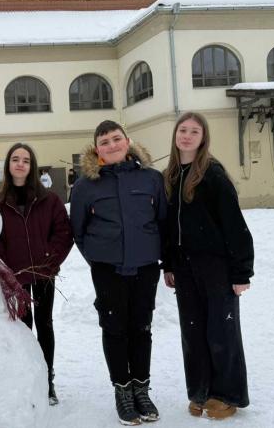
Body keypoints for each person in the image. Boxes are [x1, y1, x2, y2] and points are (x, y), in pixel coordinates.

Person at [70, 120, 167, 426]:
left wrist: (157, 255)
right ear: (96, 149)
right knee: (115, 329)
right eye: (105, 142)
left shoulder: (151, 178)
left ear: (127, 141)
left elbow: (162, 221)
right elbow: (79, 230)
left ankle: (141, 388)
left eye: (116, 139)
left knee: (141, 328)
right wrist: (99, 259)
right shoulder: (86, 185)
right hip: (107, 269)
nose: (111, 145)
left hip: (146, 267)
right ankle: (122, 390)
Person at [161, 112, 254, 420]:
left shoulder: (212, 175)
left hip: (217, 267)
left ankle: (227, 394)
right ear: (175, 135)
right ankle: (200, 391)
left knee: (221, 331)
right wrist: (169, 265)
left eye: (194, 131)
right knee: (193, 332)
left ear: (203, 138)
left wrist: (241, 272)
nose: (186, 136)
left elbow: (235, 226)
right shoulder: (170, 176)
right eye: (182, 130)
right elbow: (167, 228)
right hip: (185, 269)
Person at [0, 143, 73, 406]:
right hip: (14, 277)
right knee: (23, 329)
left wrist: (48, 261)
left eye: (25, 160)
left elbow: (63, 233)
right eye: (15, 159)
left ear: (32, 166)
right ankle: (28, 380)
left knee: (45, 325)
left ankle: (47, 381)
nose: (20, 164)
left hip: (43, 275)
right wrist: (6, 268)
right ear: (8, 165)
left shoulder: (49, 200)